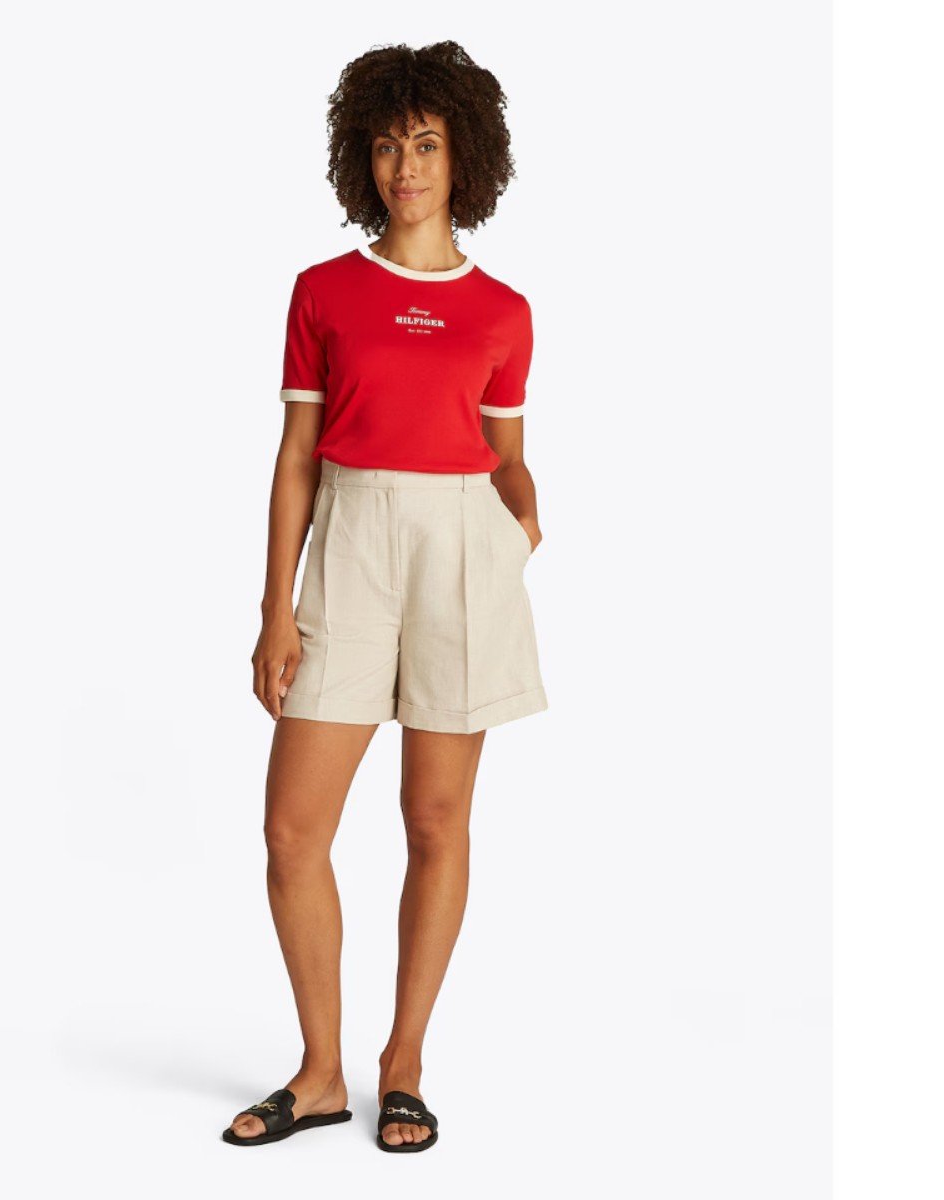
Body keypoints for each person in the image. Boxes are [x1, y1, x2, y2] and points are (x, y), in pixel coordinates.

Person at [223, 40, 548, 1154]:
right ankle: (319, 1073)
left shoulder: (504, 311)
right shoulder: (324, 291)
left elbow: (508, 456)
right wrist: (275, 609)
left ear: (464, 157)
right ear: (360, 159)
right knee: (291, 829)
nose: (404, 166)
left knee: (436, 820)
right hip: (351, 545)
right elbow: (297, 456)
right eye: (385, 144)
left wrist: (521, 521)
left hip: (464, 551)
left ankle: (401, 1063)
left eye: (426, 142)